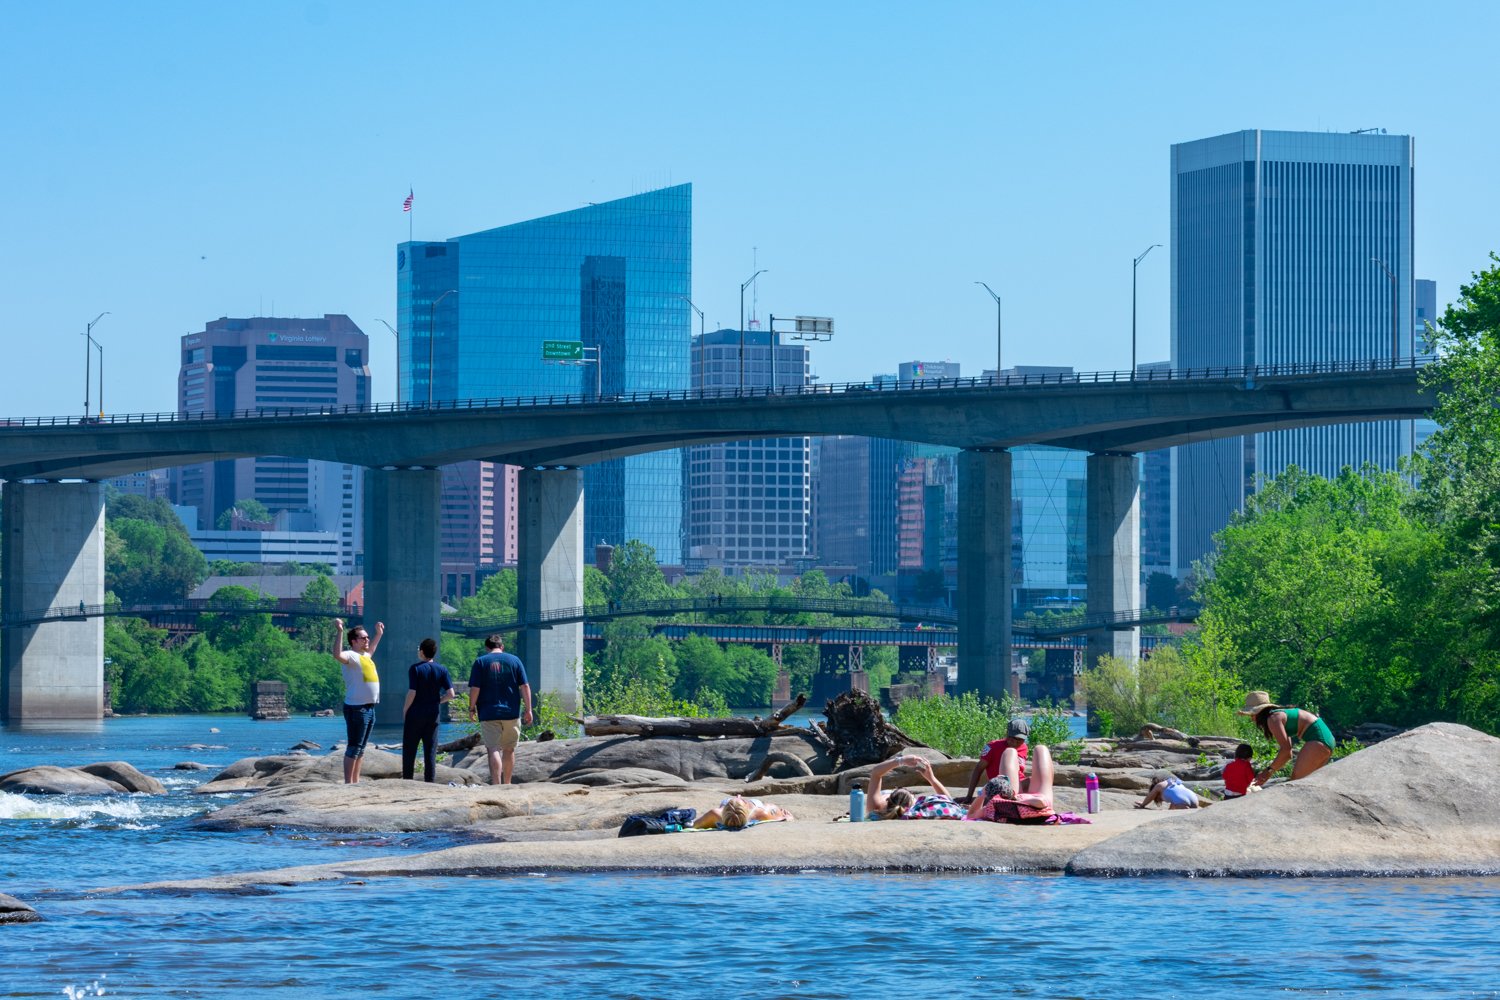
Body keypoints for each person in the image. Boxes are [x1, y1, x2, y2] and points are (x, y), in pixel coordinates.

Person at [467, 634, 533, 785]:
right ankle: (507, 784)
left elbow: (475, 688)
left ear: (487, 648)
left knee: (493, 749)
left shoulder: (480, 662)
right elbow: (525, 686)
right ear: (502, 646)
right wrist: (529, 710)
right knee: (509, 749)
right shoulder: (514, 660)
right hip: (511, 712)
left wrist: (471, 709)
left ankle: (496, 785)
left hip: (488, 712)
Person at [1238, 691, 1335, 784]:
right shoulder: (1278, 716)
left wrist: (1267, 771)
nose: (1251, 718)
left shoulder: (1273, 719)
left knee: (1296, 782)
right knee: (1309, 782)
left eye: (1252, 714)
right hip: (1327, 740)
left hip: (1318, 740)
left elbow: (1286, 750)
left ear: (1259, 712)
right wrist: (1268, 772)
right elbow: (1288, 754)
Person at [332, 617, 385, 784]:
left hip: (369, 708)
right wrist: (340, 631)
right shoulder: (351, 655)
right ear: (354, 642)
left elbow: (373, 648)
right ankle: (349, 783)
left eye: (368, 637)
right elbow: (337, 655)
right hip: (357, 708)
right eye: (364, 638)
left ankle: (355, 781)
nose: (367, 640)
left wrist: (379, 634)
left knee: (361, 749)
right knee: (354, 747)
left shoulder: (365, 656)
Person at [401, 637, 455, 782]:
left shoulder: (415, 669)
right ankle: (430, 783)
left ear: (422, 652)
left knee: (410, 749)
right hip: (433, 714)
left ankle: (407, 781)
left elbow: (412, 692)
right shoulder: (442, 669)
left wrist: (405, 710)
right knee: (430, 750)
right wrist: (438, 701)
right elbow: (451, 694)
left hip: (415, 712)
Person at [967, 743, 1057, 824]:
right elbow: (1040, 802)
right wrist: (1016, 801)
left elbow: (971, 815)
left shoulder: (992, 808)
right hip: (1039, 801)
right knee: (1041, 749)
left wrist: (982, 793)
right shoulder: (996, 806)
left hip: (1012, 800)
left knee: (1010, 751)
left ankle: (1010, 789)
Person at [866, 754, 968, 820]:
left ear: (889, 798)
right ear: (913, 804)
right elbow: (947, 800)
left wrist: (901, 760)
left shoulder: (876, 807)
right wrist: (932, 779)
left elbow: (875, 772)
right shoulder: (916, 809)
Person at [963, 717, 1030, 802]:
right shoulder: (992, 747)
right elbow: (978, 769)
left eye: (1020, 739)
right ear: (1007, 734)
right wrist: (969, 796)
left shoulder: (1024, 747)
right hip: (1000, 787)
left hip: (1019, 784)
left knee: (1031, 781)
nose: (1015, 742)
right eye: (1012, 738)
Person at [691, 795, 794, 830]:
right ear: (746, 805)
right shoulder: (762, 813)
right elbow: (782, 814)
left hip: (731, 811)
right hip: (752, 807)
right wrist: (788, 818)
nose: (738, 795)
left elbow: (695, 825)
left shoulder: (716, 814)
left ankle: (734, 803)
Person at [1136, 774, 1206, 809]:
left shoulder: (1159, 786)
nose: (1161, 800)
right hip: (1194, 799)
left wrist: (1143, 804)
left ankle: (1184, 808)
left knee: (1176, 805)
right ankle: (1184, 807)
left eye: (1157, 799)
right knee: (1173, 805)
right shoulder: (1173, 782)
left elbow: (1150, 796)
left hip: (1182, 802)